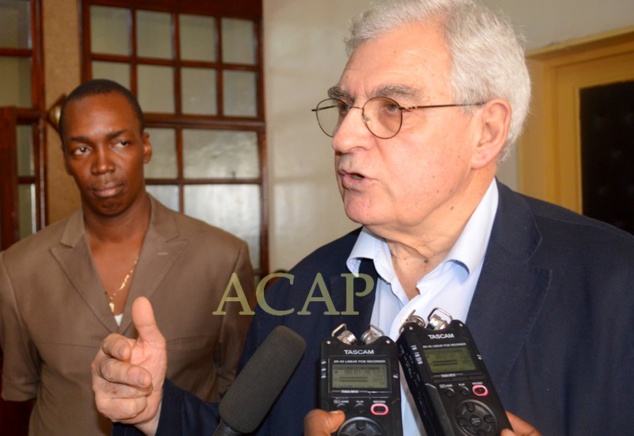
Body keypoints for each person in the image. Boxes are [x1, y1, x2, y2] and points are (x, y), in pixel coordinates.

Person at [91, 0, 634, 434]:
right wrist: (154, 412)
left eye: (391, 109)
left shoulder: (613, 283)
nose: (346, 137)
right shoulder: (297, 290)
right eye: (346, 106)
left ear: (486, 132)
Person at [0, 79, 255, 435]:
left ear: (145, 147)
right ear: (65, 161)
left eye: (119, 143)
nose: (102, 164)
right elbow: (22, 388)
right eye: (81, 150)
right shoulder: (18, 269)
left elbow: (237, 385)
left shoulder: (222, 259)